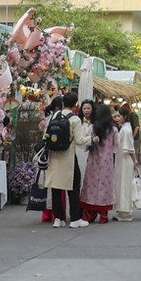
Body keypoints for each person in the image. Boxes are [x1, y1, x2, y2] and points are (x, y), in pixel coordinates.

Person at [40, 95, 82, 229]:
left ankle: (58, 218)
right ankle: (75, 218)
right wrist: (92, 140)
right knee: (73, 187)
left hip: (54, 156)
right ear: (76, 104)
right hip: (68, 157)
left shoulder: (53, 117)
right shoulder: (75, 119)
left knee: (56, 188)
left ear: (63, 103)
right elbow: (80, 140)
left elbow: (45, 137)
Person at [81, 99, 118, 224]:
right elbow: (115, 147)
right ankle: (103, 215)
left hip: (93, 160)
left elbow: (87, 143)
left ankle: (90, 215)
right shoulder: (113, 130)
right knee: (104, 187)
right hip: (107, 162)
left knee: (91, 186)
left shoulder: (93, 128)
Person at [112, 106, 139, 221]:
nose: (116, 118)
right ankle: (122, 210)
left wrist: (135, 161)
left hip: (125, 160)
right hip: (121, 159)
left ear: (125, 117)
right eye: (115, 116)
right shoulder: (123, 128)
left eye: (119, 116)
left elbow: (130, 149)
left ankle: (125, 212)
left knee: (124, 184)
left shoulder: (126, 130)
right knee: (121, 184)